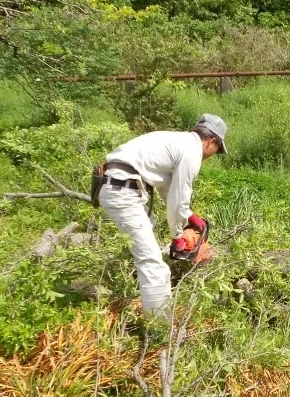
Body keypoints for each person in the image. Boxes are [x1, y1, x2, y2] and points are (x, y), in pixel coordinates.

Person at [97, 114, 227, 323]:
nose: (212, 155)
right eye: (217, 150)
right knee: (154, 265)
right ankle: (160, 330)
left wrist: (189, 216)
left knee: (150, 253)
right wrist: (177, 237)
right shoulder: (192, 151)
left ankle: (150, 310)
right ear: (212, 141)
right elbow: (178, 197)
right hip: (122, 189)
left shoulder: (177, 141)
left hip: (122, 184)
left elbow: (167, 189)